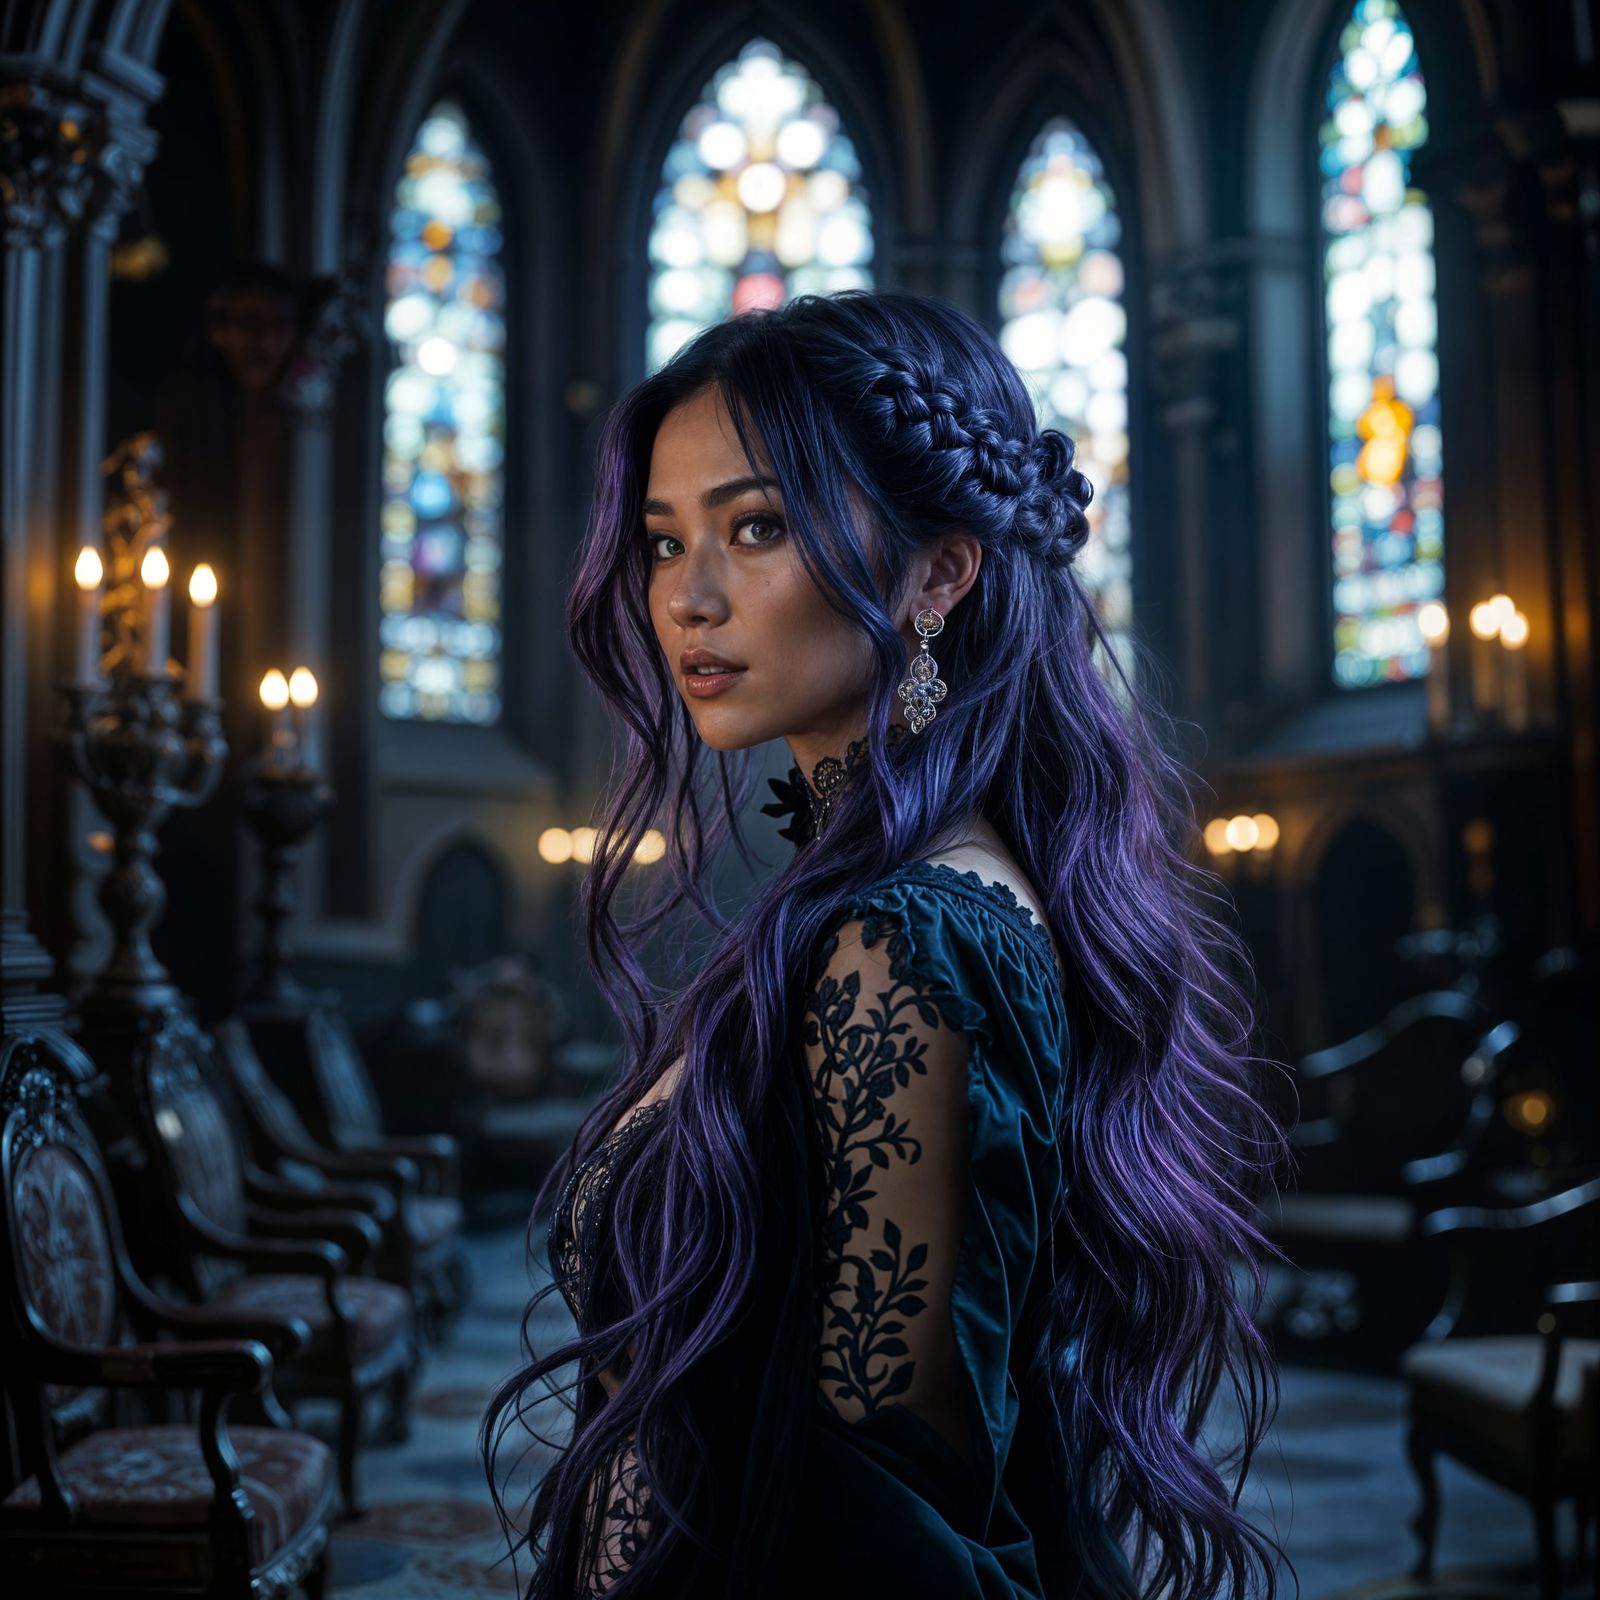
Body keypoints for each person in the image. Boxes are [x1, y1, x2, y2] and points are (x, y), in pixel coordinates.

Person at [483, 289, 1293, 1599]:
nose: (686, 598)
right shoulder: (882, 905)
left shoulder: (912, 943)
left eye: (756, 527)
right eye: (664, 540)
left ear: (938, 572)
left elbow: (894, 1525)